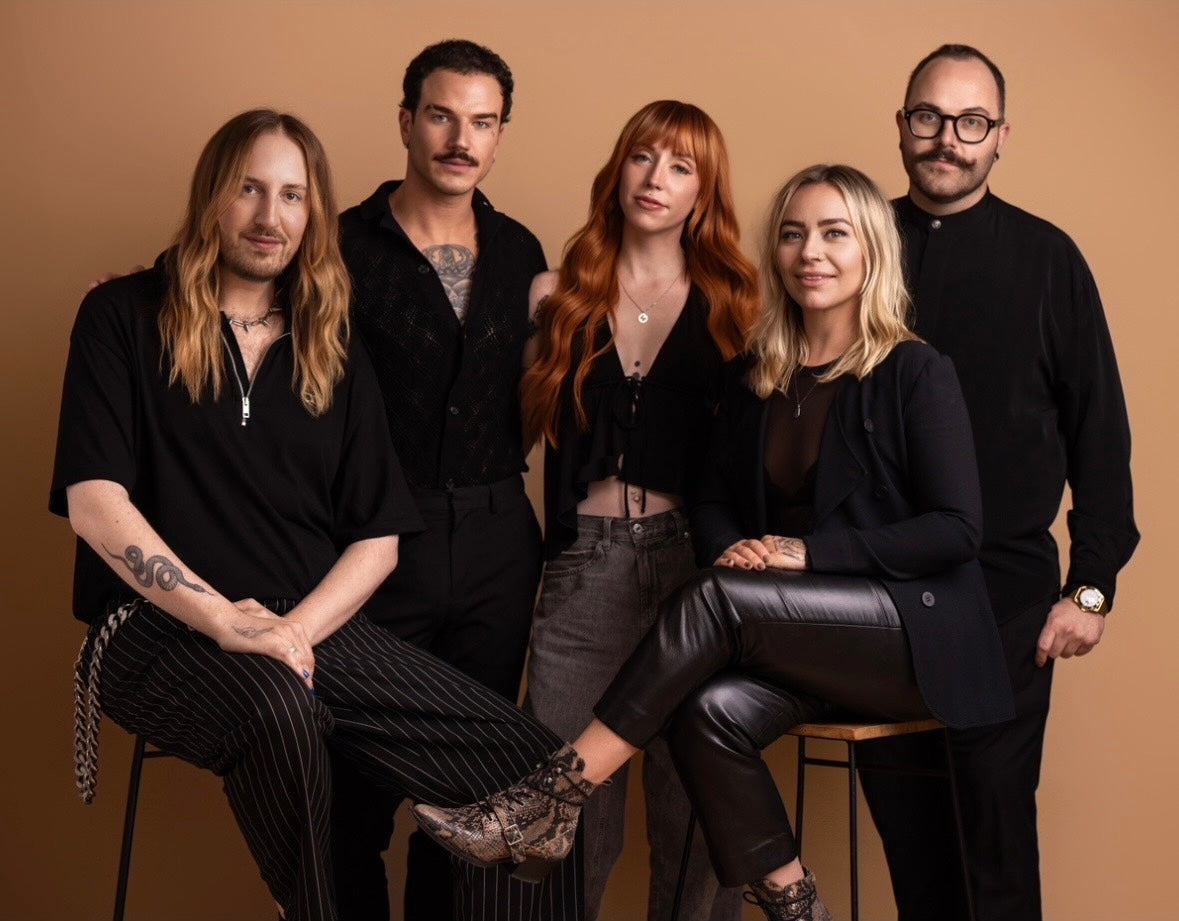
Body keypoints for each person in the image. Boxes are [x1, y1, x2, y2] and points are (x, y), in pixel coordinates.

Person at [413, 164, 1016, 921]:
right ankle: (797, 903)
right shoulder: (755, 376)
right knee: (705, 711)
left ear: (871, 250)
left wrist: (805, 555)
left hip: (906, 636)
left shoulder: (914, 369)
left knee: (713, 600)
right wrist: (736, 549)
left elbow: (957, 529)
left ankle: (551, 796)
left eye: (834, 234)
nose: (810, 252)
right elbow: (714, 499)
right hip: (799, 630)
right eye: (793, 234)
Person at [56, 108, 580, 921]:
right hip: (155, 628)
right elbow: (95, 505)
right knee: (278, 707)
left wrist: (291, 630)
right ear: (210, 197)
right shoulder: (122, 315)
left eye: (292, 195)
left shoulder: (328, 344)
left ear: (312, 214)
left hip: (309, 628)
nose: (270, 216)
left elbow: (378, 538)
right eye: (248, 189)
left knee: (533, 767)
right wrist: (228, 622)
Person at [854, 44, 1139, 921]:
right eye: (928, 118)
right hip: (873, 601)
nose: (947, 139)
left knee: (995, 848)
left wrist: (1089, 588)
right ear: (900, 125)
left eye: (970, 122)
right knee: (912, 850)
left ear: (1000, 136)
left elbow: (1100, 437)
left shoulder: (1049, 259)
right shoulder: (853, 245)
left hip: (1004, 602)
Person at [517, 99, 759, 921]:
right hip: (583, 569)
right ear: (617, 168)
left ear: (703, 191)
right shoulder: (555, 293)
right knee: (563, 811)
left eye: (680, 166)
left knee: (695, 813)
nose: (656, 178)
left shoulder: (736, 305)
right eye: (642, 157)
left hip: (696, 570)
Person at [338, 39, 550, 921]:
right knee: (351, 795)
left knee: (466, 805)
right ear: (405, 122)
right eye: (440, 116)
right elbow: (239, 282)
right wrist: (144, 286)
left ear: (499, 135)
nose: (461, 140)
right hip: (376, 544)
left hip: (500, 540)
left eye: (482, 122)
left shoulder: (521, 249)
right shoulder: (339, 244)